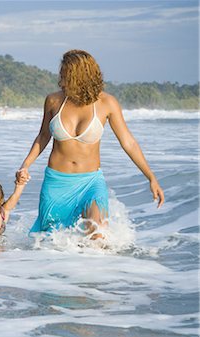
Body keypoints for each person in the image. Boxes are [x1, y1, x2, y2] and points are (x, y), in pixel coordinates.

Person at [16, 49, 164, 238]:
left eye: (65, 73)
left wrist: (151, 177)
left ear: (80, 75)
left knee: (97, 236)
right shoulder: (53, 100)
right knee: (50, 242)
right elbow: (43, 136)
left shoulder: (107, 103)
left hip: (91, 182)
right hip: (57, 182)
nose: (61, 77)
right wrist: (25, 165)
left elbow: (128, 142)